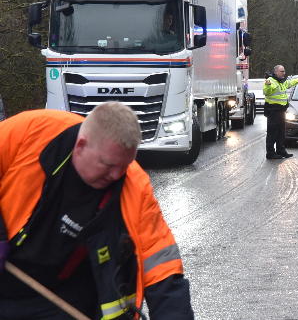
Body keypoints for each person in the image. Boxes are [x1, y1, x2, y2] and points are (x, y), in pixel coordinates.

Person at [0, 102, 194, 319]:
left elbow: (161, 266)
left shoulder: (133, 185)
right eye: (108, 165)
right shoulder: (31, 132)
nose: (116, 175)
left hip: (62, 297)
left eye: (124, 166)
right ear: (81, 145)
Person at [263, 65, 298, 159]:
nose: (284, 73)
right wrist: (268, 85)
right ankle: (270, 153)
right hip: (273, 111)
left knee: (281, 132)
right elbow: (266, 92)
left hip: (281, 111)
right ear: (276, 72)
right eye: (282, 71)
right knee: (272, 133)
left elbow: (289, 83)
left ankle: (281, 150)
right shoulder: (270, 81)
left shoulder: (280, 81)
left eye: (284, 71)